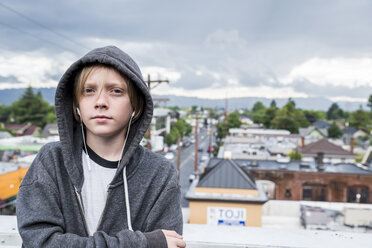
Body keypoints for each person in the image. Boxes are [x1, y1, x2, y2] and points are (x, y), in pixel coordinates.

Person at [16, 46, 186, 248]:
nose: (100, 102)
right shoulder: (52, 161)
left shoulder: (159, 174)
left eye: (116, 91)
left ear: (136, 104)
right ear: (76, 102)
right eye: (89, 90)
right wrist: (144, 243)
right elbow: (40, 243)